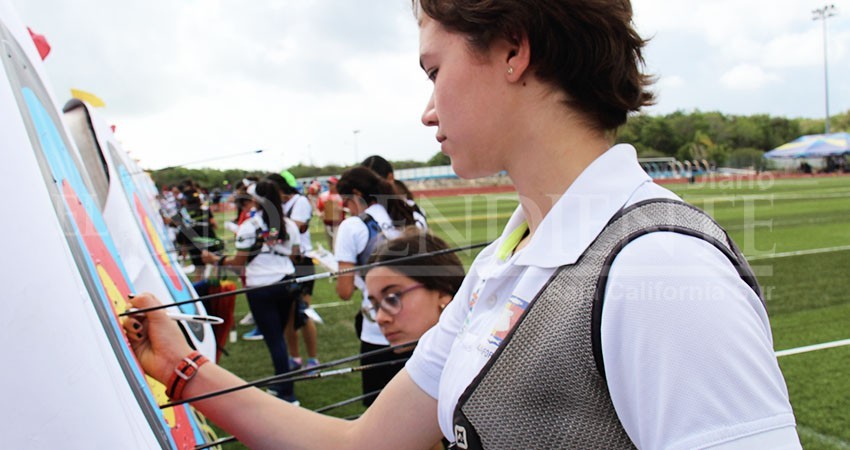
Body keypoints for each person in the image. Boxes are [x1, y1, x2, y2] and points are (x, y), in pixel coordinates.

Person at [124, 1, 800, 448]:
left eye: (434, 69)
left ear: (513, 49)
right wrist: (182, 370)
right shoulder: (502, 264)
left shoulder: (659, 265)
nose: (426, 110)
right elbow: (364, 444)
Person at [200, 180, 302, 404]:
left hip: (260, 288)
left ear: (256, 200)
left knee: (275, 339)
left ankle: (287, 392)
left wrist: (215, 259)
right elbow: (295, 255)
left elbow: (238, 264)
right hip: (286, 283)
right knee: (279, 337)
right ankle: (282, 383)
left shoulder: (249, 226)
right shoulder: (289, 225)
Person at [334, 166, 427, 406]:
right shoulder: (416, 216)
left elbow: (344, 292)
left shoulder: (353, 226)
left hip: (380, 332)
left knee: (380, 412)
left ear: (357, 194)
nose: (347, 208)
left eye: (346, 201)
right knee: (423, 412)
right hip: (421, 328)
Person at [267, 171, 322, 371]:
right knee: (288, 316)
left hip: (301, 262)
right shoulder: (276, 206)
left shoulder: (300, 202)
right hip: (284, 264)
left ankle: (313, 359)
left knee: (303, 313)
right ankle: (295, 357)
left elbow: (293, 229)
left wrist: (268, 230)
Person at [316, 176, 346, 250]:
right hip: (327, 224)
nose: (329, 185)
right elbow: (318, 209)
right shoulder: (323, 196)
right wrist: (320, 214)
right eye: (329, 183)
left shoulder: (342, 196)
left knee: (336, 245)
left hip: (338, 224)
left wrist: (340, 209)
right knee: (330, 246)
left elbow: (348, 209)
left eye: (332, 183)